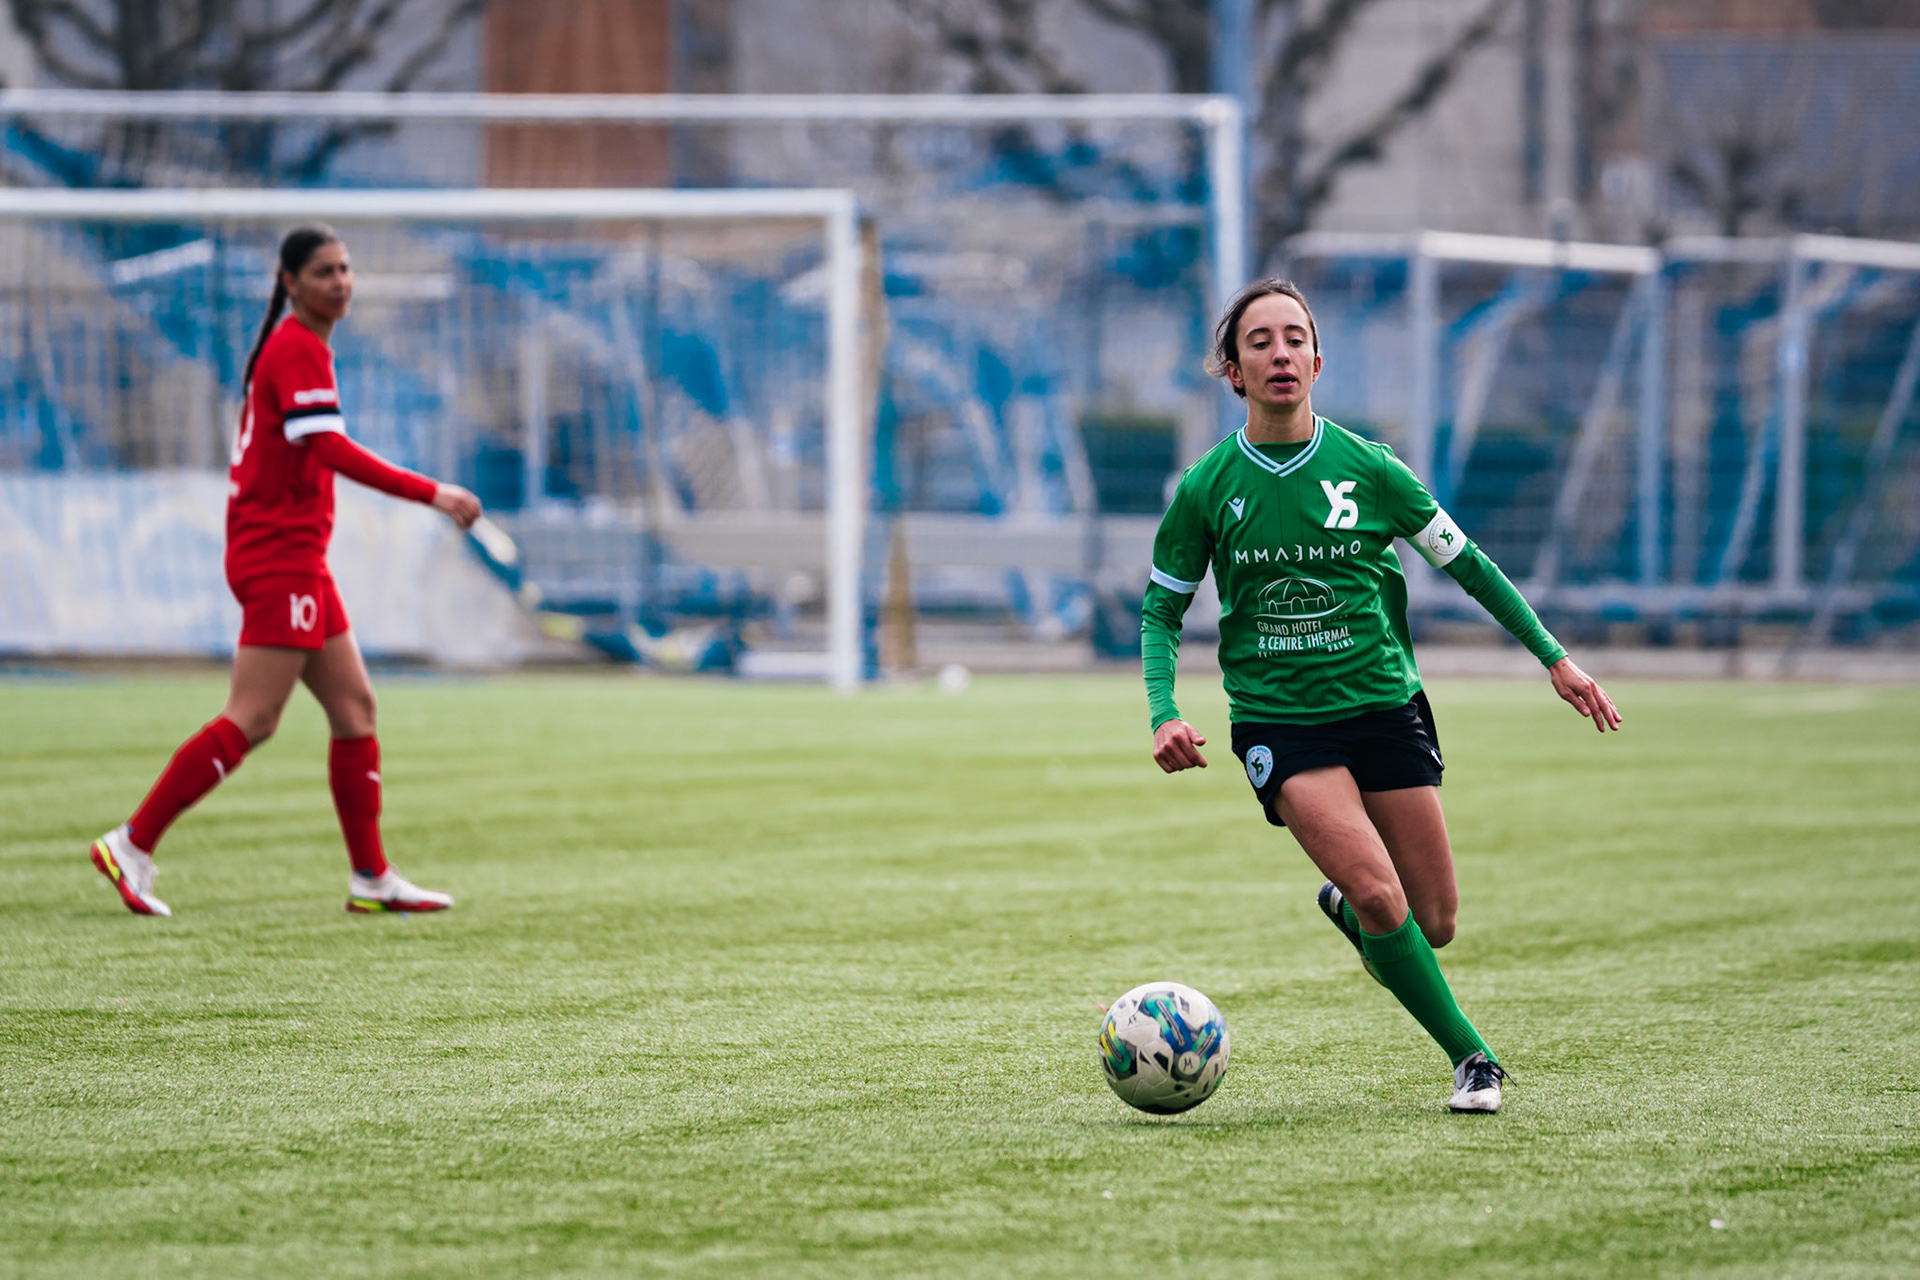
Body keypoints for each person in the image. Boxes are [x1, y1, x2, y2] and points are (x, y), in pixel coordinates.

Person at [1143, 279, 1622, 1113]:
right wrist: (1163, 711)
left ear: (1318, 362)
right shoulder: (1206, 487)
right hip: (1281, 724)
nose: (1280, 353)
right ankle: (1474, 1059)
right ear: (1233, 371)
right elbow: (1161, 607)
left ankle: (1356, 913)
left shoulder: (1370, 469)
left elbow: (1469, 564)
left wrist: (1555, 658)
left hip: (1383, 708)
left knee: (1431, 922)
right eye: (1260, 341)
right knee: (1380, 894)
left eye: (1295, 338)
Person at [89, 224, 482, 917]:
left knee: (355, 709)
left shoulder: (300, 348)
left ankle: (371, 877)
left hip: (295, 558)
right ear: (290, 282)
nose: (341, 281)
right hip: (279, 558)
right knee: (254, 716)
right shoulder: (297, 349)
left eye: (346, 268)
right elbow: (329, 447)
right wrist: (433, 492)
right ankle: (131, 843)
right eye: (325, 271)